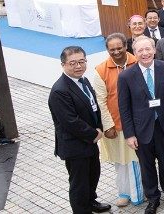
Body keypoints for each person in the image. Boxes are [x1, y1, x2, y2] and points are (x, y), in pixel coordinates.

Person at [118, 36, 164, 214]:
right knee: (146, 165)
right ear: (134, 53)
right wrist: (129, 134)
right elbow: (124, 108)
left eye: (148, 49)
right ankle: (153, 198)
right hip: (141, 130)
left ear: (154, 50)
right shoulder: (126, 76)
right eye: (140, 50)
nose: (145, 53)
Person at [49, 46, 111, 214]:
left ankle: (91, 201)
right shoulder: (60, 90)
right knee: (79, 183)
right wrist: (94, 133)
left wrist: (99, 126)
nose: (78, 66)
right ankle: (81, 210)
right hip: (75, 146)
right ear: (63, 65)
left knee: (93, 175)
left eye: (81, 62)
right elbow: (70, 121)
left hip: (90, 142)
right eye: (73, 63)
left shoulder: (83, 80)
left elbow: (93, 107)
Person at [92, 34, 144, 207]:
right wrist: (108, 125)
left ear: (125, 46)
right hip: (115, 125)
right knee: (120, 161)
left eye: (119, 47)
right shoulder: (101, 70)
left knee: (137, 160)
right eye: (111, 49)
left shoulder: (138, 61)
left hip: (138, 123)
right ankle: (124, 192)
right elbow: (101, 100)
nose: (116, 51)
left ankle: (139, 193)